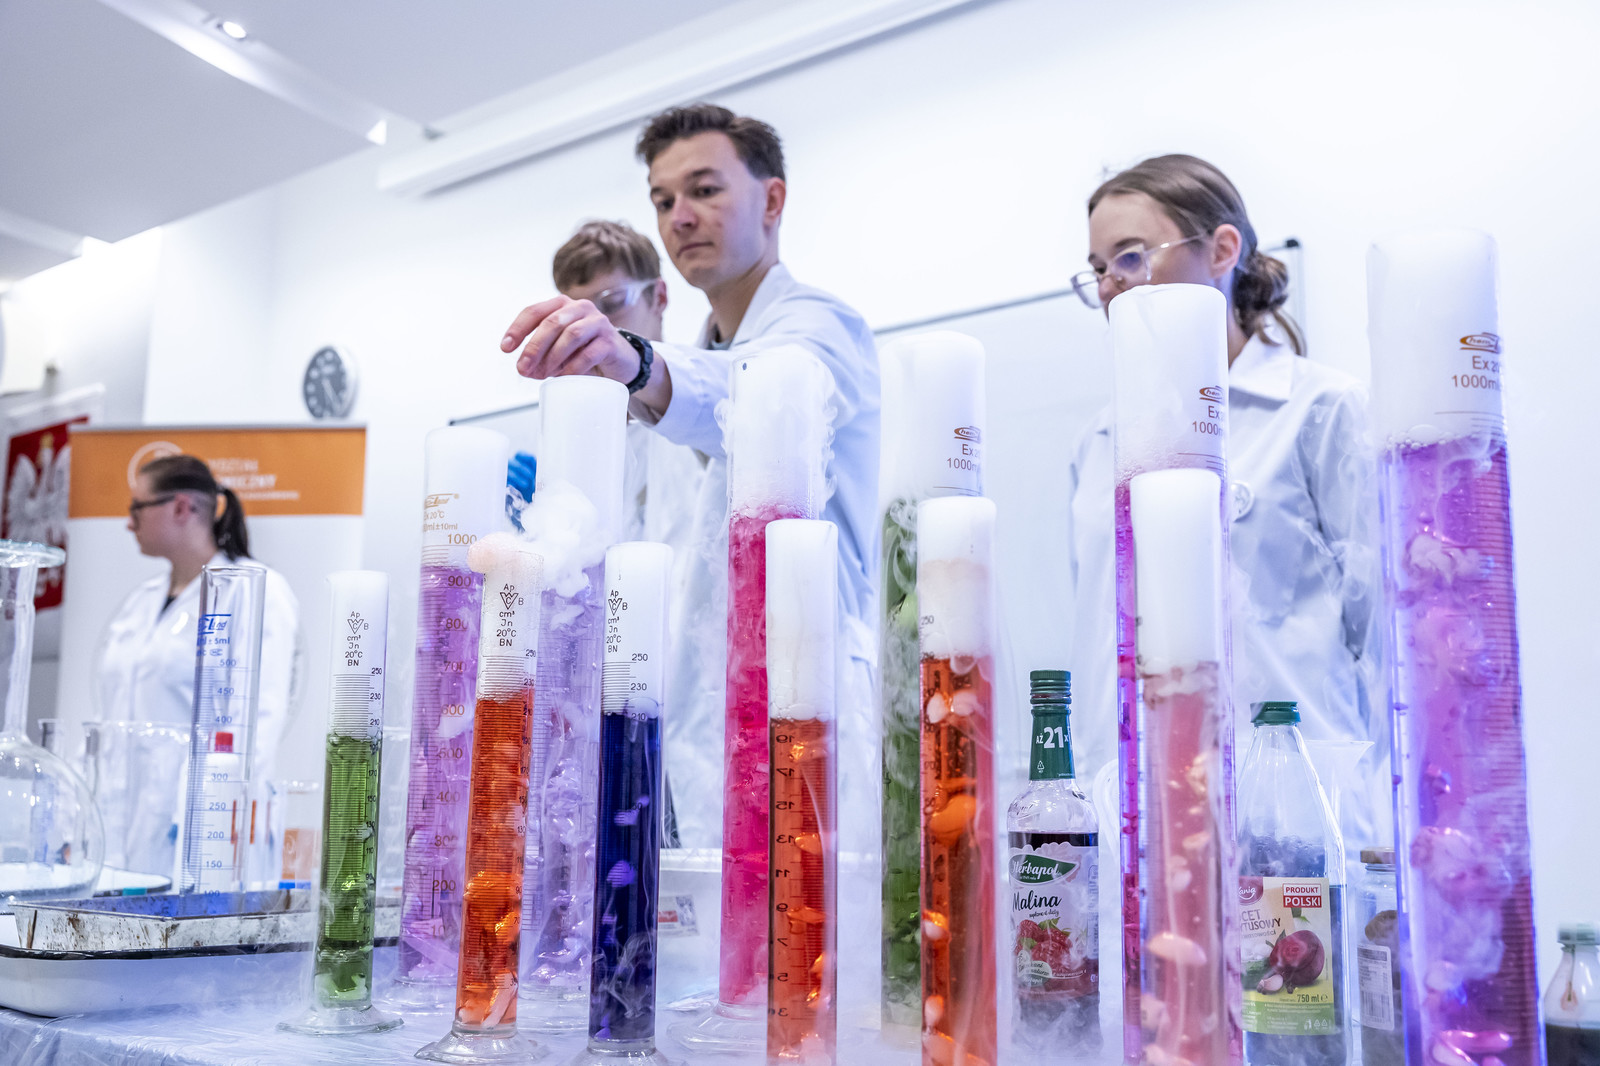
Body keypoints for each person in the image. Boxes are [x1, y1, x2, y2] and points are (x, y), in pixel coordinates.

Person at [500, 104, 880, 850]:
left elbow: (765, 393)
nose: (679, 216)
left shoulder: (821, 328)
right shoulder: (690, 373)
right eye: (663, 198)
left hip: (806, 710)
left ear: (772, 200)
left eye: (704, 189)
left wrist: (637, 361)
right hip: (689, 733)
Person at [1065, 155, 1384, 845]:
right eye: (1098, 269)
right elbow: (1097, 640)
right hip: (1132, 812)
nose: (1111, 286)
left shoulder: (1317, 409)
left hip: (1289, 817)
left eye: (1130, 256)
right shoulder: (1098, 441)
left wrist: (1377, 825)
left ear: (1222, 250)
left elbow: (1384, 637)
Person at [95, 455, 302, 779]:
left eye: (137, 508)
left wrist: (224, 800)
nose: (129, 524)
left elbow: (259, 720)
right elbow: (107, 719)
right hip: (120, 804)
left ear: (180, 507)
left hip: (204, 801)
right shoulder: (140, 602)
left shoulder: (253, 590)